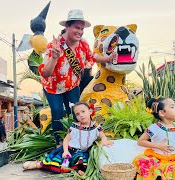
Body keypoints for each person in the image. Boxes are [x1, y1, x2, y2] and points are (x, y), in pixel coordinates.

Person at [38, 9, 117, 147]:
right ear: (67, 26)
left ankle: (76, 137)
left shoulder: (83, 45)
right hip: (53, 87)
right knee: (57, 111)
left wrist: (108, 58)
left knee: (75, 111)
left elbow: (93, 57)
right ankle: (59, 141)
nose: (80, 31)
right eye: (76, 27)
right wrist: (55, 58)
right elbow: (46, 73)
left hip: (72, 85)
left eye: (81, 29)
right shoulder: (54, 46)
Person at [22, 101, 113, 175]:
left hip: (82, 152)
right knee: (54, 161)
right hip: (69, 150)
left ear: (90, 111)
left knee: (81, 161)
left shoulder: (96, 128)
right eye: (77, 114)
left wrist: (104, 141)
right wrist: (65, 151)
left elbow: (103, 136)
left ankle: (79, 170)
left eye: (83, 111)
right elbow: (66, 139)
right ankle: (38, 164)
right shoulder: (74, 127)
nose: (81, 115)